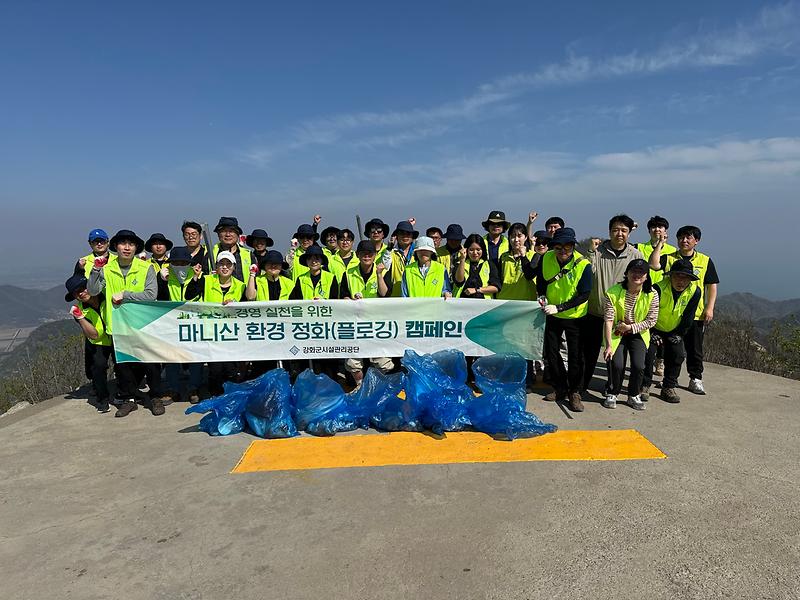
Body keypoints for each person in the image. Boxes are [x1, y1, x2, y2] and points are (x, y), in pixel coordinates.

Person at [87, 229, 161, 417]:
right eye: (123, 243)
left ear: (136, 248)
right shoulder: (106, 268)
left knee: (150, 362)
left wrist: (126, 295)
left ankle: (155, 397)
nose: (127, 247)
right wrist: (95, 270)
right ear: (115, 247)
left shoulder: (146, 267)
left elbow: (151, 295)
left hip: (142, 324)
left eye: (131, 244)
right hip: (118, 325)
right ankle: (129, 399)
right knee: (123, 365)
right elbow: (93, 291)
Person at [648, 225, 719, 395]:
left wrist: (709, 308)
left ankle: (695, 378)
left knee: (694, 348)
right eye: (681, 237)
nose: (684, 240)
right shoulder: (670, 258)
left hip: (695, 314)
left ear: (697, 241)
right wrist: (659, 244)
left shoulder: (705, 260)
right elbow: (653, 264)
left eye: (689, 237)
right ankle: (669, 381)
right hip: (671, 315)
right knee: (671, 350)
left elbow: (712, 285)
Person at [582, 214, 644, 397]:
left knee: (614, 356)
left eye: (624, 230)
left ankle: (612, 389)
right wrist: (591, 252)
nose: (619, 234)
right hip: (595, 311)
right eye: (616, 230)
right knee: (589, 354)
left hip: (620, 316)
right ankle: (579, 387)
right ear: (609, 231)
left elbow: (640, 283)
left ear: (630, 233)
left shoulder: (635, 255)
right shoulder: (598, 250)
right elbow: (588, 272)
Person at [531, 227, 592, 412]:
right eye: (558, 247)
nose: (563, 251)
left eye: (567, 247)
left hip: (575, 317)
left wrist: (560, 307)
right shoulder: (546, 258)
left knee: (575, 357)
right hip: (551, 315)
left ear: (573, 246)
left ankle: (575, 392)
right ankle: (560, 388)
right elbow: (541, 281)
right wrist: (541, 295)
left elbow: (584, 294)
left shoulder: (584, 264)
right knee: (551, 353)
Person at [185, 251, 246, 395]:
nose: (225, 267)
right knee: (216, 369)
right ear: (217, 267)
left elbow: (246, 309)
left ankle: (230, 397)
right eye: (221, 264)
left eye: (228, 264)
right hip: (211, 334)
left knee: (231, 369)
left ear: (233, 267)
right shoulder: (206, 280)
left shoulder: (241, 285)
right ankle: (216, 396)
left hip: (232, 334)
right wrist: (195, 277)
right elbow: (190, 295)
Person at [601, 259, 659, 411]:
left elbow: (651, 320)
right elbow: (608, 319)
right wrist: (608, 345)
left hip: (638, 333)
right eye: (634, 271)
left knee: (639, 365)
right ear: (627, 273)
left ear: (646, 276)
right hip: (617, 331)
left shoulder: (652, 294)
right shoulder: (613, 292)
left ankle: (633, 394)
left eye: (641, 272)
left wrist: (631, 327)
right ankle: (612, 392)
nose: (637, 275)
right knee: (617, 363)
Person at [642, 258, 701, 404]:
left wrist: (680, 333)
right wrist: (651, 332)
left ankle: (668, 386)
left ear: (690, 279)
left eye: (685, 277)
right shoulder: (657, 288)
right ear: (670, 276)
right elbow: (647, 312)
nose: (681, 281)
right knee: (648, 355)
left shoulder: (695, 292)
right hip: (653, 327)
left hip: (675, 329)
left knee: (678, 355)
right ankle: (644, 385)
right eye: (677, 276)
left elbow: (689, 316)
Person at [339, 241, 392, 389]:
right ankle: (359, 386)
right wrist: (350, 300)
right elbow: (343, 295)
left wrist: (379, 275)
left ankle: (378, 387)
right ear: (358, 255)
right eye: (363, 253)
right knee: (353, 361)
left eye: (370, 254)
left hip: (378, 323)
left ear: (375, 256)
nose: (367, 256)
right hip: (356, 322)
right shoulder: (348, 273)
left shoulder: (383, 271)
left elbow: (385, 295)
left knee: (382, 361)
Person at [156, 246, 203, 403]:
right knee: (171, 357)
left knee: (195, 357)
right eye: (176, 262)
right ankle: (173, 389)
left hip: (194, 324)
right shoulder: (166, 278)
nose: (181, 265)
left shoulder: (198, 276)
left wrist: (196, 279)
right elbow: (160, 300)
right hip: (171, 325)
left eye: (184, 262)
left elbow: (195, 296)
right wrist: (161, 281)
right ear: (170, 263)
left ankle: (193, 388)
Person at [65, 274, 113, 413]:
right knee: (98, 366)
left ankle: (127, 394)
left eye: (83, 288)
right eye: (76, 292)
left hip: (116, 337)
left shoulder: (106, 295)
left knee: (125, 365)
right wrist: (80, 318)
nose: (81, 293)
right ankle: (103, 399)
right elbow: (94, 334)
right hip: (98, 342)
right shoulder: (81, 310)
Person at [635, 215, 675, 378]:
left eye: (660, 227)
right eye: (654, 227)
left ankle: (660, 360)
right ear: (649, 230)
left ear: (666, 230)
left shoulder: (673, 250)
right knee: (646, 330)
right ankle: (646, 360)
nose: (657, 229)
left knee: (662, 330)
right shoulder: (639, 248)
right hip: (642, 294)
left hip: (664, 295)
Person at [497, 223, 538, 301]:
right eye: (512, 236)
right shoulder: (503, 257)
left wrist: (523, 256)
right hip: (504, 300)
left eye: (519, 236)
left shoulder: (534, 256)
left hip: (526, 302)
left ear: (526, 237)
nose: (516, 239)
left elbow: (529, 275)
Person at [453, 234, 501, 298]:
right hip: (462, 305)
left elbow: (496, 287)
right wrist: (462, 259)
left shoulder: (489, 265)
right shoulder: (459, 264)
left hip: (484, 305)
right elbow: (459, 281)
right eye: (471, 250)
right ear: (466, 250)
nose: (475, 253)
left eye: (478, 249)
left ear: (483, 250)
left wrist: (477, 290)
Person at [211, 216, 252, 281]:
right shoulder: (210, 253)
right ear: (218, 234)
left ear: (238, 235)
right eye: (224, 231)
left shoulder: (249, 255)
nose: (228, 234)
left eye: (231, 231)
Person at [388, 220, 418, 296]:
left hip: (415, 296)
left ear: (412, 236)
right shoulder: (391, 252)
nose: (405, 236)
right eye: (402, 233)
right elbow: (385, 266)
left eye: (408, 233)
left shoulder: (418, 252)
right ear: (396, 236)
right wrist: (389, 248)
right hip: (397, 298)